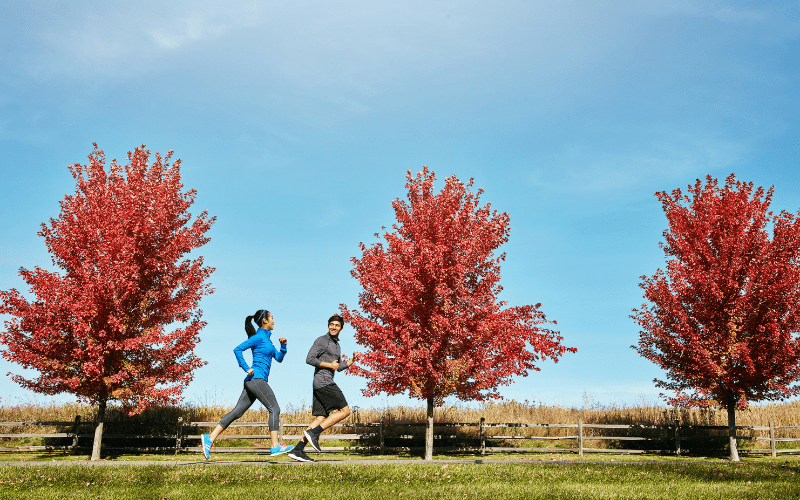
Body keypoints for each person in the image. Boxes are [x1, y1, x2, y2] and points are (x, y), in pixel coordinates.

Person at [200, 309, 293, 460]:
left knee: (237, 412)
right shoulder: (258, 337)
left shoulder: (267, 340)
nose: (274, 321)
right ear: (265, 320)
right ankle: (275, 446)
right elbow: (237, 349)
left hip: (253, 382)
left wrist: (283, 346)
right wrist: (246, 367)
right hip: (256, 379)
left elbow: (279, 358)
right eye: (272, 318)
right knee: (274, 408)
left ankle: (209, 438)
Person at [289, 314, 361, 462]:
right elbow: (309, 359)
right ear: (328, 325)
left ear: (341, 328)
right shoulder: (322, 340)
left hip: (320, 383)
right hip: (324, 382)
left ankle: (298, 450)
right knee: (345, 411)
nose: (334, 327)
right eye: (331, 324)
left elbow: (338, 367)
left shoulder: (336, 345)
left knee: (321, 417)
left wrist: (352, 360)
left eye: (337, 325)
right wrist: (329, 365)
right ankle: (314, 433)